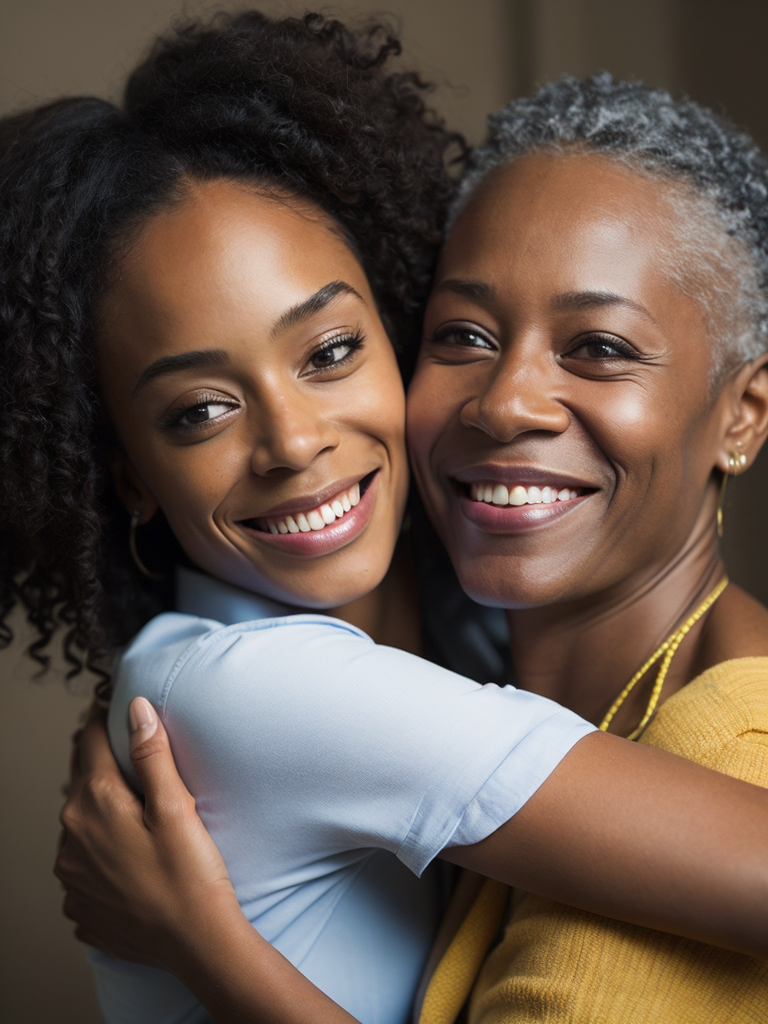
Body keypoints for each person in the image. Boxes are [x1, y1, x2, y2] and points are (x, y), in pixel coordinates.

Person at [2, 12, 762, 1019]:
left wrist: (202, 943)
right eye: (198, 411)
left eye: (327, 353)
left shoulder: (451, 633)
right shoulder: (269, 686)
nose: (293, 442)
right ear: (128, 473)